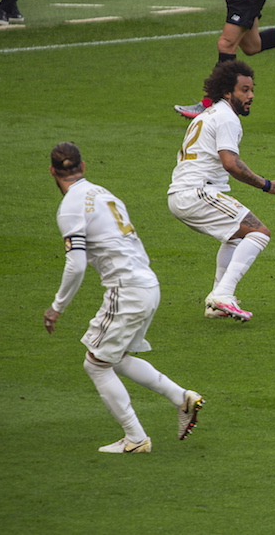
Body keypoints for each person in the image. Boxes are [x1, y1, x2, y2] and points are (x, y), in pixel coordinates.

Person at [43, 142, 205, 454]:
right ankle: (181, 397)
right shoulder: (105, 194)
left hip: (126, 289)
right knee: (114, 358)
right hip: (147, 283)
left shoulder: (70, 207)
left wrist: (57, 307)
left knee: (96, 365)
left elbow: (76, 264)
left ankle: (135, 438)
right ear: (83, 166)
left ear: (52, 171)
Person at [168, 60, 275, 321]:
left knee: (236, 237)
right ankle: (223, 294)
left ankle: (217, 302)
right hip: (197, 193)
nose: (251, 95)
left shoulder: (209, 114)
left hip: (184, 194)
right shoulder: (226, 118)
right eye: (244, 90)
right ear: (226, 92)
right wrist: (266, 185)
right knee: (259, 233)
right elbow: (231, 164)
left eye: (252, 90)